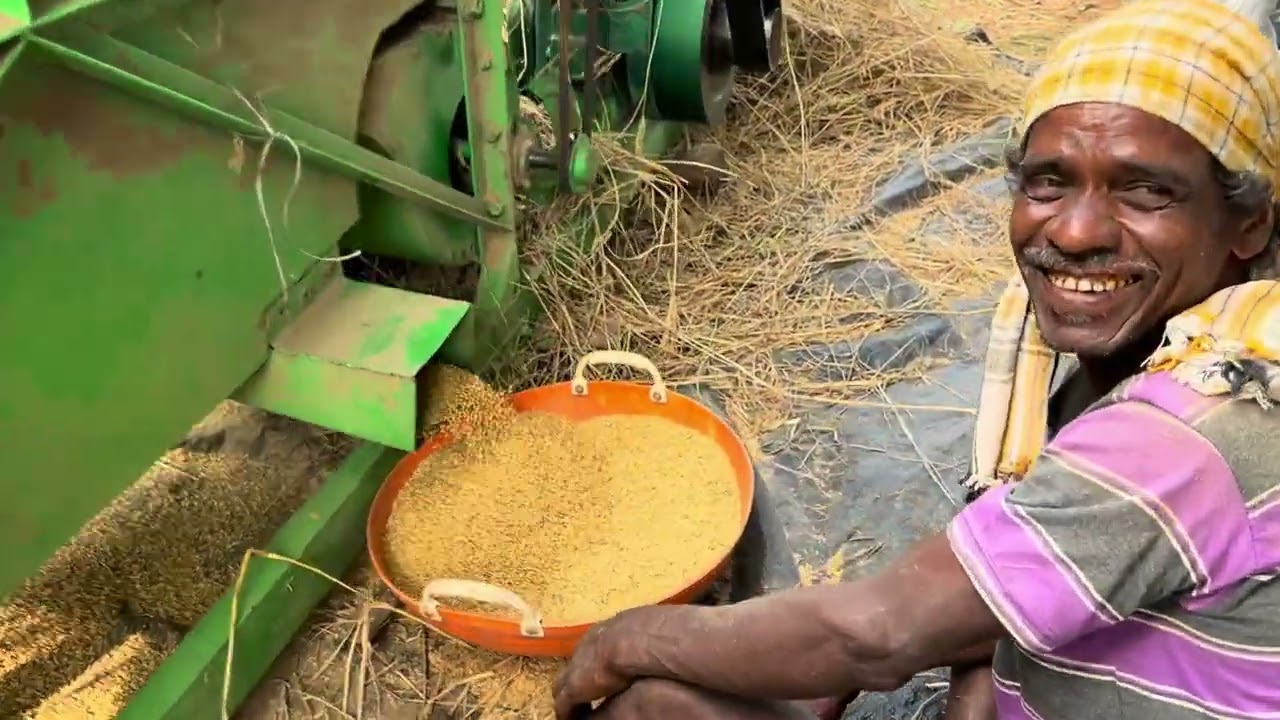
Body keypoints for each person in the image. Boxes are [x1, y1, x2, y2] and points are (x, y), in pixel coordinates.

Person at [550, 0, 1280, 717]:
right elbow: (1018, 550)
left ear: (1249, 221)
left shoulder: (1193, 429)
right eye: (1048, 182)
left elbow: (881, 634)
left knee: (655, 705)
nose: (1079, 229)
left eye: (1146, 189)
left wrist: (633, 638)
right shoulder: (1199, 340)